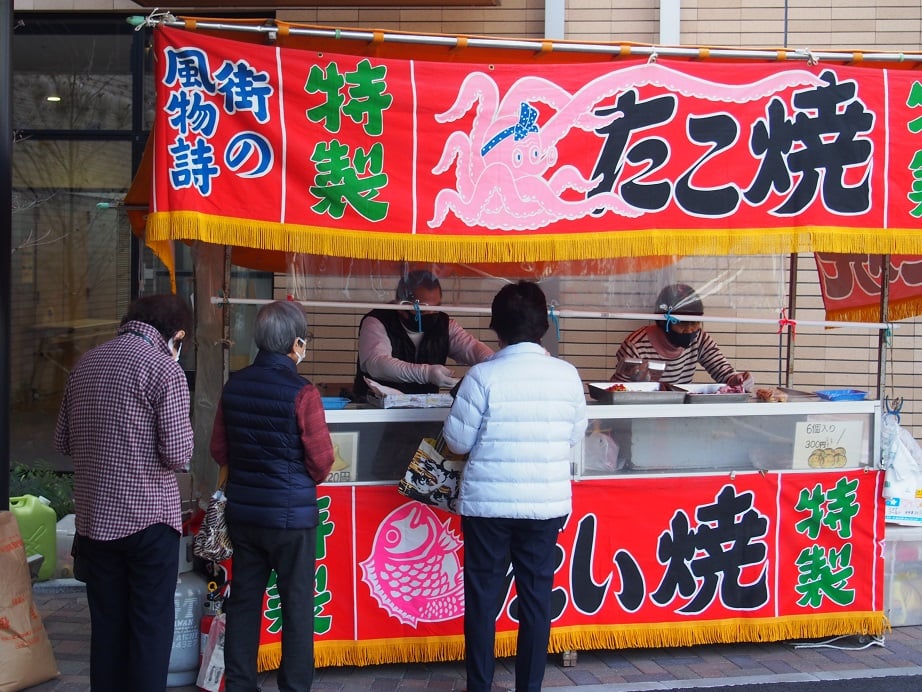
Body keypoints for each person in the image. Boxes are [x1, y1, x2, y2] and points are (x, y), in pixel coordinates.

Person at [441, 281, 588, 692]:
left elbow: (457, 442)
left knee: (483, 601)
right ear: (543, 326)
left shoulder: (482, 376)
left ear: (497, 328)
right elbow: (574, 434)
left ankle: (480, 685)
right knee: (536, 600)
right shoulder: (567, 375)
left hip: (487, 508)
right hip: (544, 505)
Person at [53, 294, 194, 692]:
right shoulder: (165, 370)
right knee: (149, 630)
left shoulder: (85, 364)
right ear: (176, 334)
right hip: (149, 523)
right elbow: (179, 454)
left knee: (108, 629)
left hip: (95, 521)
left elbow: (62, 440)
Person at [210, 300, 335, 692]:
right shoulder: (304, 393)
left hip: (245, 517)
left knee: (245, 602)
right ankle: (294, 688)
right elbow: (321, 463)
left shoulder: (235, 385)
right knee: (297, 606)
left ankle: (241, 685)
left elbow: (219, 449)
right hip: (290, 521)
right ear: (295, 342)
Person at [352, 269, 493, 399]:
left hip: (422, 414)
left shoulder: (444, 324)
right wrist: (426, 373)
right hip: (376, 413)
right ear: (402, 306)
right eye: (424, 310)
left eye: (436, 308)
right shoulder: (376, 321)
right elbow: (377, 365)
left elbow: (472, 348)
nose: (432, 315)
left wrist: (496, 362)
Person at [611, 283, 751, 387]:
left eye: (695, 323)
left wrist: (739, 380)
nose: (690, 330)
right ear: (663, 321)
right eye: (683, 325)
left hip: (680, 412)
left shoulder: (700, 339)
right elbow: (618, 389)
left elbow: (724, 373)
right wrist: (639, 383)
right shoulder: (635, 345)